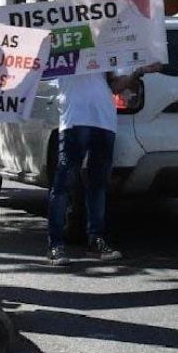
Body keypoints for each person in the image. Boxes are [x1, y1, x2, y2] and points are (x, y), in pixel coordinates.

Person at [47, 60, 161, 266]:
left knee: (98, 184)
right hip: (75, 119)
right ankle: (56, 244)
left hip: (104, 120)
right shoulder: (65, 45)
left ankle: (96, 239)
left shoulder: (106, 50)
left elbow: (114, 86)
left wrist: (138, 72)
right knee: (63, 183)